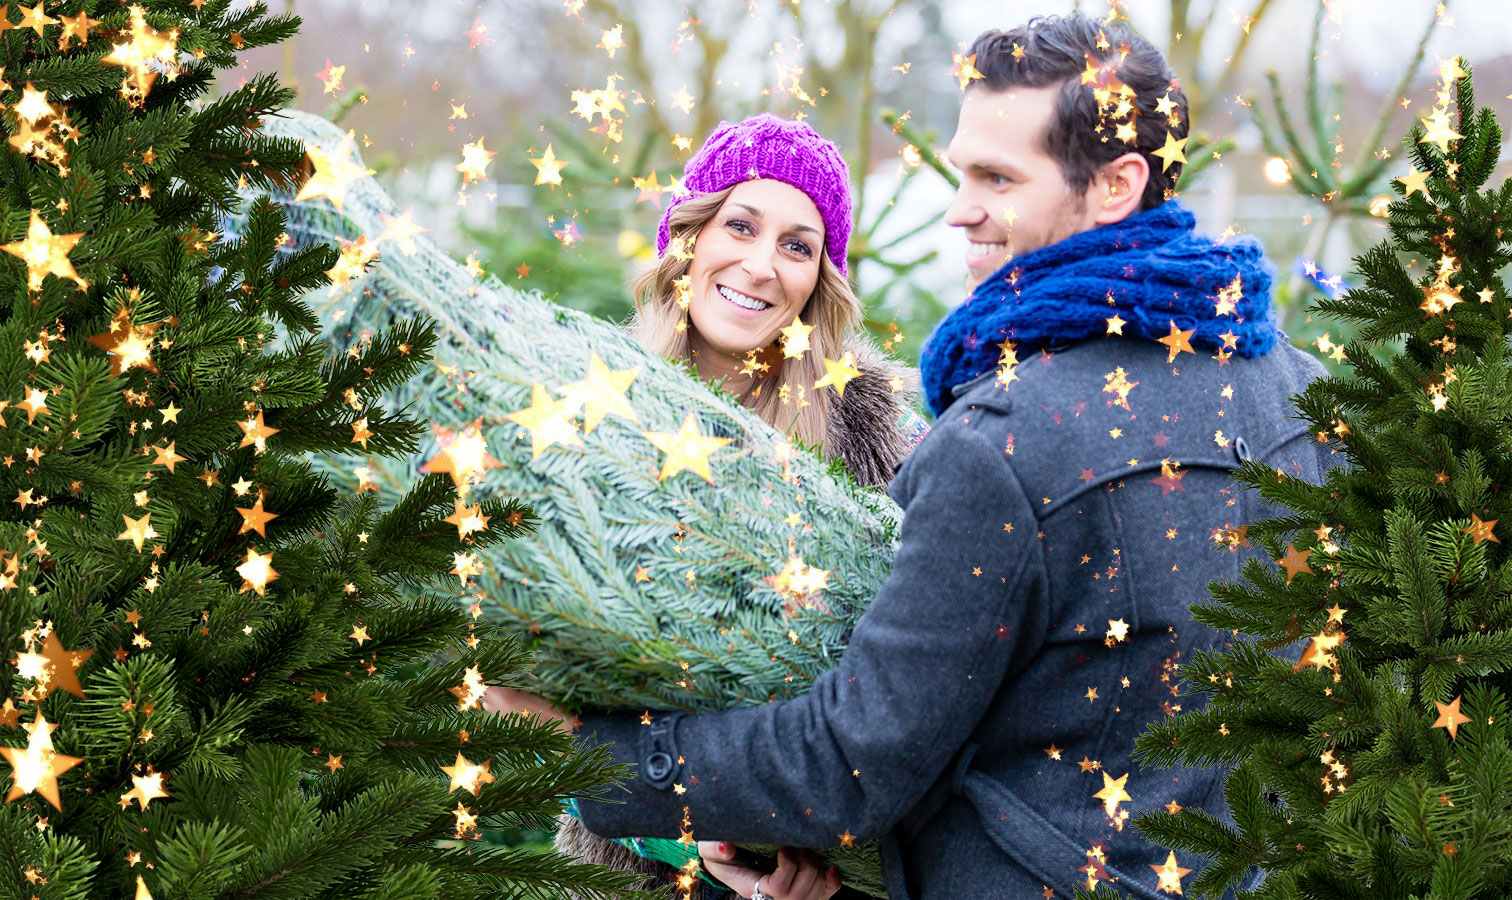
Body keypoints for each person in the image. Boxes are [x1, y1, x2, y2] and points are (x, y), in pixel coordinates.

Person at [490, 12, 1335, 899]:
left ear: (1119, 183)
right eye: (962, 170)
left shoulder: (993, 447)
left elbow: (854, 758)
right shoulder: (1298, 393)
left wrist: (593, 758)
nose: (958, 207)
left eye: (997, 177)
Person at [551, 113, 926, 899]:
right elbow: (528, 700)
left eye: (797, 246)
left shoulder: (884, 437)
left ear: (820, 279)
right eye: (741, 225)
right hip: (638, 871)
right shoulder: (594, 415)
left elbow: (917, 680)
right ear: (689, 235)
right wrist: (689, 842)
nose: (760, 267)